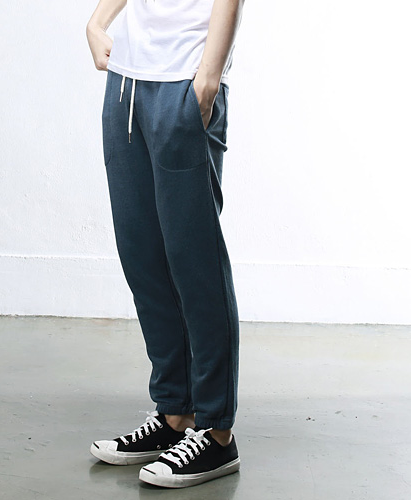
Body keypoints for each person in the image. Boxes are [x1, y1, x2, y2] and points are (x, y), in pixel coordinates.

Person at [86, 0, 245, 489]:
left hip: (184, 79)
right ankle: (174, 413)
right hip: (126, 82)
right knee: (143, 256)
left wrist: (208, 78)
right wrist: (97, 21)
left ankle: (216, 432)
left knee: (193, 260)